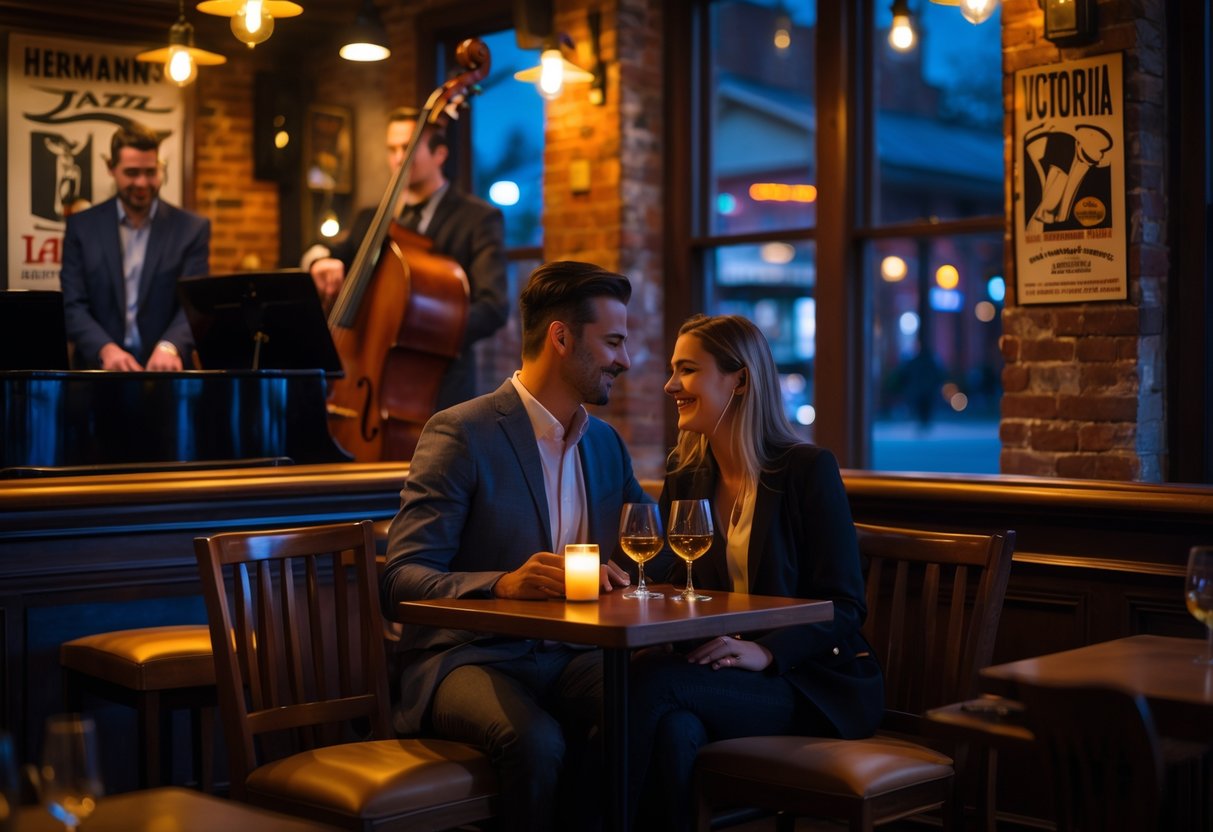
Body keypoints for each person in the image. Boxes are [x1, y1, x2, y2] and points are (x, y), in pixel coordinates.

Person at [381, 260, 651, 831]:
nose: (624, 360)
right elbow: (401, 576)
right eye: (613, 341)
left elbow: (648, 552)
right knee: (536, 743)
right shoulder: (462, 431)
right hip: (467, 655)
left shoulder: (606, 445)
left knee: (649, 713)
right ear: (560, 336)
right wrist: (502, 585)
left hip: (574, 655)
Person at [628, 314, 885, 831]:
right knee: (674, 729)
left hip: (806, 682)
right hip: (719, 673)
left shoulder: (806, 470)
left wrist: (766, 651)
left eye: (687, 370)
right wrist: (616, 577)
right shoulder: (687, 473)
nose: (669, 385)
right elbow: (663, 574)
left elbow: (846, 605)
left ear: (739, 379)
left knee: (651, 685)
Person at [305, 106, 509, 410]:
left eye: (408, 148)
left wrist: (419, 332)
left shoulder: (478, 219)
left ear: (440, 154)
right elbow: (332, 254)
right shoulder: (370, 219)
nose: (399, 158)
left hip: (438, 385)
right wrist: (319, 262)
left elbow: (493, 307)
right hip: (365, 376)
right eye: (392, 149)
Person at [61, 122, 210, 371]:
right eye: (131, 173)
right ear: (111, 168)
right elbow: (73, 304)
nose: (142, 182)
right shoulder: (81, 227)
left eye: (151, 172)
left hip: (166, 377)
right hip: (95, 377)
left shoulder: (191, 229)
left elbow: (194, 304)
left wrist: (170, 345)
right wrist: (104, 349)